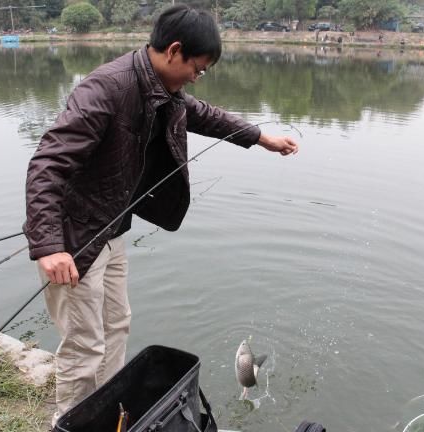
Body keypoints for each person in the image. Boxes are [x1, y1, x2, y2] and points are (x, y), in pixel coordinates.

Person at [23, 4, 299, 426]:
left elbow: (203, 114)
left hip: (111, 232)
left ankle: (106, 418)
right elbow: (47, 165)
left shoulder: (161, 89)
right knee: (85, 347)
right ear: (174, 51)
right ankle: (71, 423)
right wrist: (48, 245)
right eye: (198, 68)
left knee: (117, 328)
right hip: (74, 241)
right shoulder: (105, 89)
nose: (197, 77)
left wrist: (262, 138)